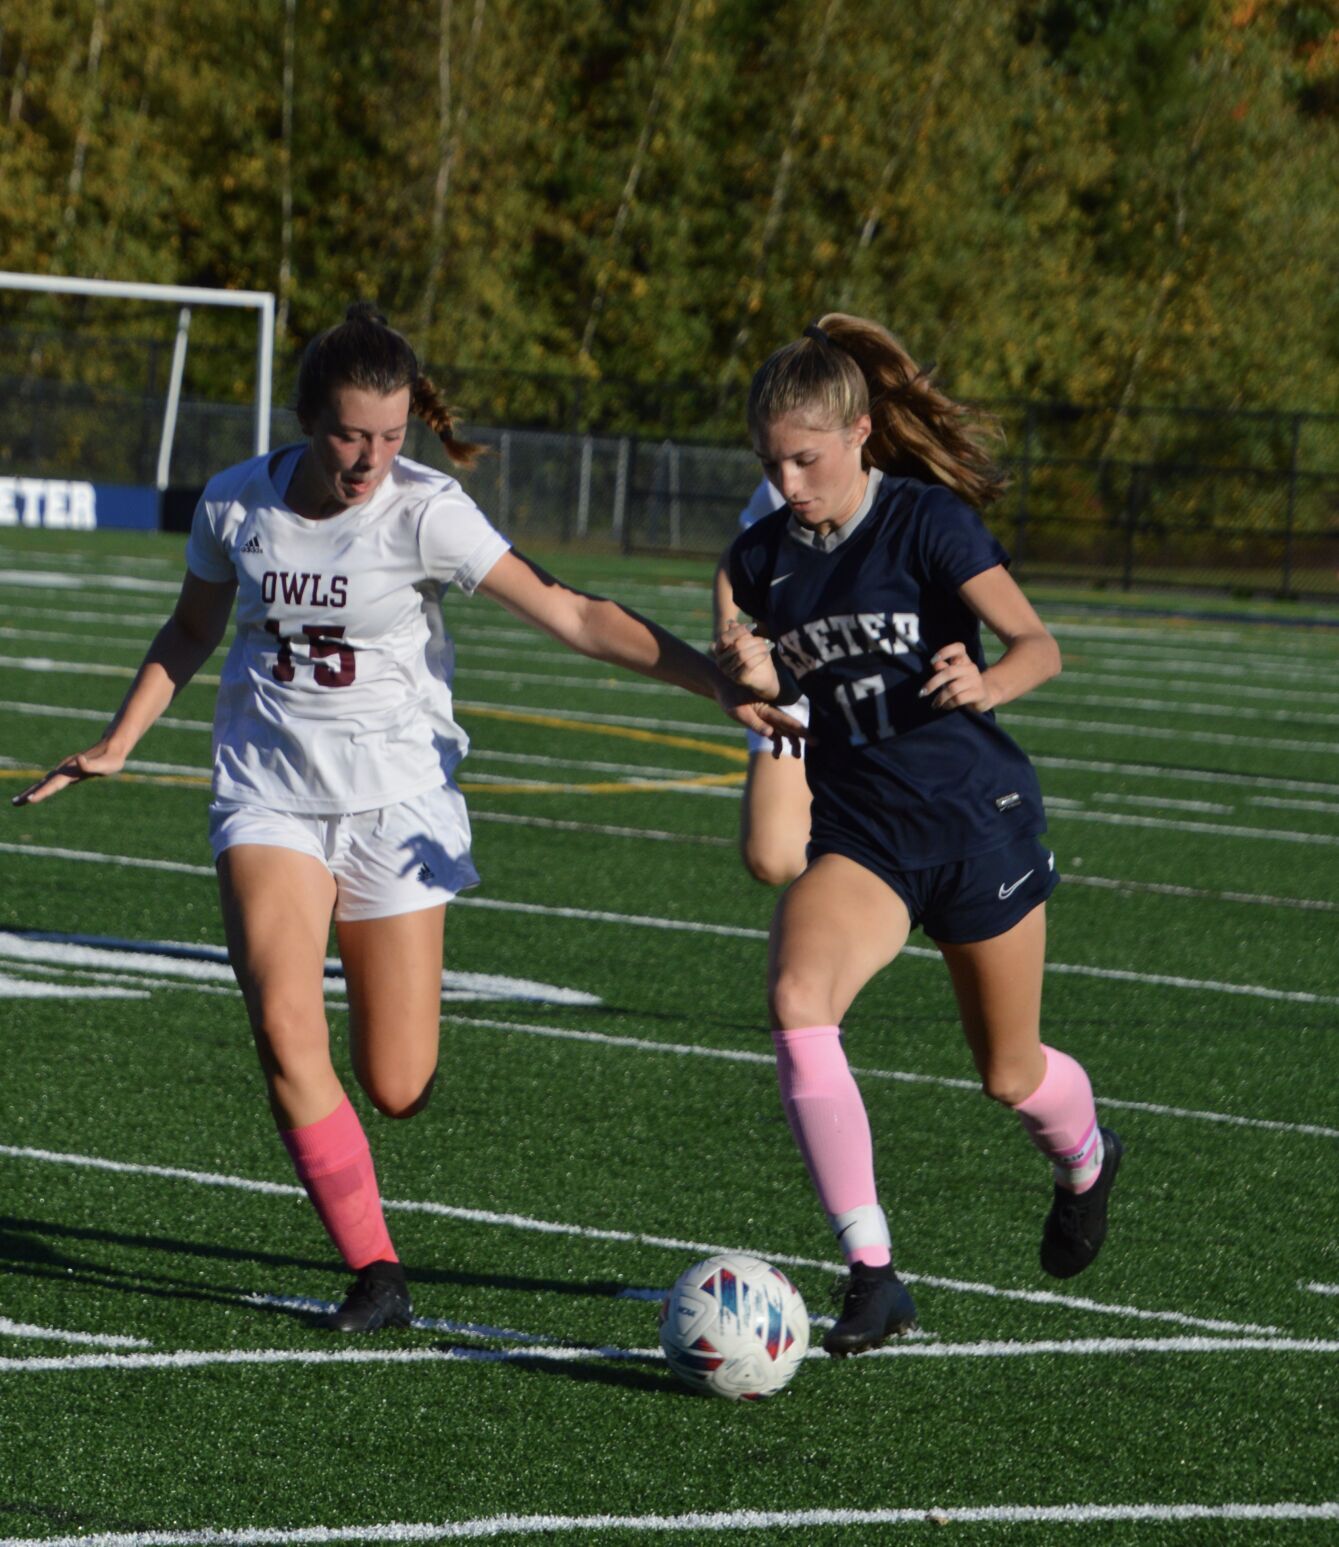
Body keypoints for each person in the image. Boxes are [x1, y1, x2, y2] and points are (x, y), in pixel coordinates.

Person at [12, 303, 795, 1335]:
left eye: (389, 437)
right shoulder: (236, 502)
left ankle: (384, 1117)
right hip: (267, 790)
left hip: (398, 802)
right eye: (348, 435)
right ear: (305, 421)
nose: (369, 458)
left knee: (395, 1080)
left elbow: (573, 612)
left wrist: (716, 687)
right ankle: (375, 1269)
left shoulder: (428, 511)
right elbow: (194, 621)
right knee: (285, 1032)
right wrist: (122, 735)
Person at [712, 313, 1122, 1358]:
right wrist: (750, 685)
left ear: (857, 433)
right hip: (864, 836)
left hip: (976, 821)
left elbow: (1039, 644)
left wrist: (987, 678)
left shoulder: (926, 522)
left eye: (806, 458)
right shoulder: (758, 558)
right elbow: (762, 685)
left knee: (1007, 1071)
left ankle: (1085, 1158)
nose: (789, 481)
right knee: (798, 1001)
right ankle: (872, 1271)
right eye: (772, 462)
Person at [712, 479, 811, 886]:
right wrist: (730, 636)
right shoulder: (790, 479)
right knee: (771, 856)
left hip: (884, 686)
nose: (786, 474)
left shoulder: (914, 495)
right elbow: (737, 559)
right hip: (790, 677)